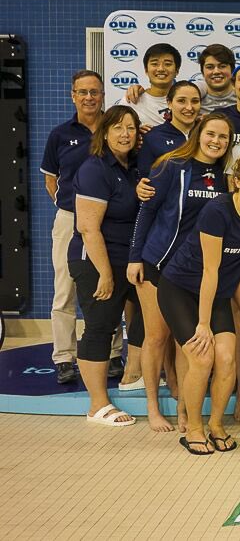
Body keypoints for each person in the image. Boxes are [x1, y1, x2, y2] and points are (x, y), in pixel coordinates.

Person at [158, 155, 240, 454]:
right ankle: (194, 428)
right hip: (180, 289)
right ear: (236, 182)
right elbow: (210, 271)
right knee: (203, 357)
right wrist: (203, 324)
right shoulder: (217, 211)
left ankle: (216, 425)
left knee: (228, 359)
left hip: (217, 293)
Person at [128, 113, 234, 432]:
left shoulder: (225, 177)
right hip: (158, 264)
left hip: (193, 272)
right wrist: (136, 257)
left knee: (185, 343)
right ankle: (152, 406)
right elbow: (146, 210)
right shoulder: (171, 166)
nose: (216, 141)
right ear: (198, 134)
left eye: (223, 137)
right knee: (156, 337)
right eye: (210, 134)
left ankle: (185, 408)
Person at [41, 70, 122, 384]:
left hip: (108, 223)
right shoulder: (60, 134)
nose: (89, 97)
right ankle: (63, 357)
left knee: (110, 284)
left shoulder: (113, 128)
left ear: (103, 95)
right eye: (83, 92)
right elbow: (51, 179)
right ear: (72, 95)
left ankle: (114, 352)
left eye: (95, 92)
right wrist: (73, 209)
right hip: (69, 219)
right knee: (65, 290)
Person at [68, 105, 142, 427]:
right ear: (105, 132)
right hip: (97, 260)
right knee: (100, 326)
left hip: (129, 259)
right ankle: (97, 405)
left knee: (143, 318)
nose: (125, 134)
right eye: (118, 128)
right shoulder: (94, 168)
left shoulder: (133, 168)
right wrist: (105, 274)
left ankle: (132, 377)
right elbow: (88, 227)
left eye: (131, 128)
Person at [137, 80, 201, 178]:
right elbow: (145, 180)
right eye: (181, 101)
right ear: (169, 103)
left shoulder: (207, 135)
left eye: (195, 101)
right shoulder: (152, 137)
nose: (189, 107)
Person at [118, 43, 180, 128]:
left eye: (168, 64)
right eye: (155, 64)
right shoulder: (131, 100)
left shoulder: (186, 100)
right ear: (146, 70)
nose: (161, 69)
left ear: (177, 71)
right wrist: (135, 132)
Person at [196, 44, 238, 112]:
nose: (216, 72)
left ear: (232, 70)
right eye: (210, 67)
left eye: (222, 66)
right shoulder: (193, 98)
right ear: (202, 72)